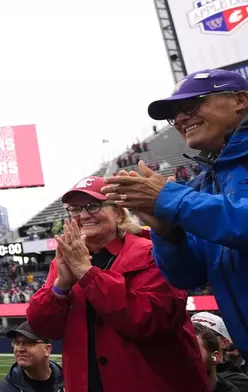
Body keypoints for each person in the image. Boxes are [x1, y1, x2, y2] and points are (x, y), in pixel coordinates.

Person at [100, 68, 248, 358]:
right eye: (176, 113)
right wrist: (167, 233)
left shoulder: (191, 194)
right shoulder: (204, 184)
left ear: (240, 100)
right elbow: (187, 277)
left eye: (192, 105)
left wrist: (174, 200)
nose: (180, 119)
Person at [26, 176, 208, 392]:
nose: (83, 215)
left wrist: (87, 273)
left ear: (119, 212)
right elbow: (43, 326)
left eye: (93, 206)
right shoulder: (64, 262)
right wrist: (61, 286)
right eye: (74, 209)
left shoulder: (152, 250)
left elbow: (150, 320)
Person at [0, 322, 63, 392]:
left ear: (47, 349)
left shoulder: (68, 382)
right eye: (16, 343)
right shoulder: (3, 389)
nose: (20, 349)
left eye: (29, 343)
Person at [192, 312, 248, 390]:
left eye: (210, 334)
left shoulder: (240, 382)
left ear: (225, 343)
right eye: (189, 335)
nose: (197, 337)